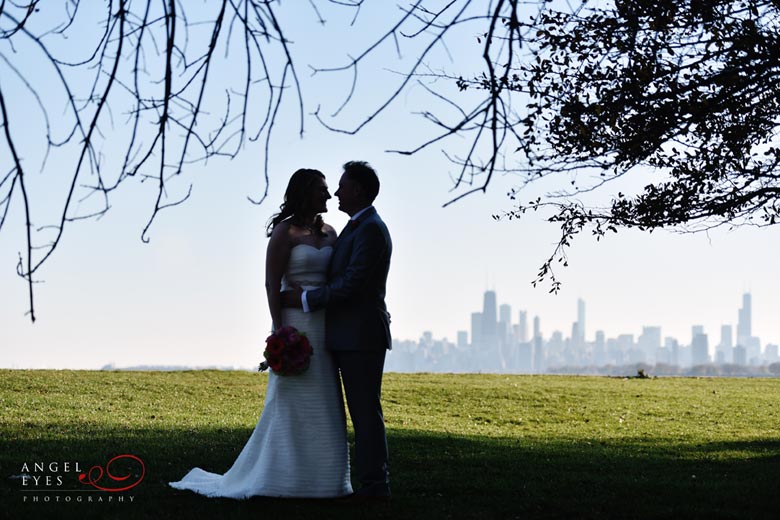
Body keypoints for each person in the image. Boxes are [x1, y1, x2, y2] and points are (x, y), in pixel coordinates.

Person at [169, 168, 352, 499]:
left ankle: (327, 478)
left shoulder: (330, 233)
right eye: (322, 190)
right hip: (295, 323)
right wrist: (280, 331)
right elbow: (271, 283)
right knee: (292, 399)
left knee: (325, 400)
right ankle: (281, 474)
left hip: (323, 326)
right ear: (305, 192)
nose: (328, 196)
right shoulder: (285, 233)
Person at [282, 160, 392, 499]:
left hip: (360, 336)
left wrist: (305, 298)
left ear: (357, 190)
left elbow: (352, 283)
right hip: (348, 334)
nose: (336, 193)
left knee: (364, 412)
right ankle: (370, 482)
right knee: (359, 411)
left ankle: (375, 485)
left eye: (342, 186)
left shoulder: (370, 229)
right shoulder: (357, 227)